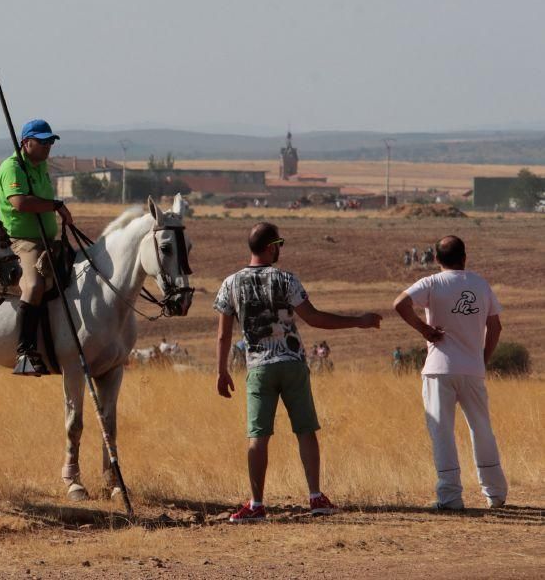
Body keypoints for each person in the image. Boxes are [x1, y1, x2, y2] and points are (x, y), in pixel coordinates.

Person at [214, 222, 381, 522]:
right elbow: (314, 319)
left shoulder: (230, 284)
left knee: (258, 437)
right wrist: (358, 321)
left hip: (258, 367)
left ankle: (256, 504)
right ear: (268, 247)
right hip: (291, 362)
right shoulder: (286, 279)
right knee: (305, 431)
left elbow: (224, 335)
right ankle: (316, 497)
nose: (280, 249)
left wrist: (221, 370)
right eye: (278, 243)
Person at [393, 235, 507, 510]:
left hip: (439, 370)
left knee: (442, 431)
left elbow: (400, 303)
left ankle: (451, 497)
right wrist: (481, 359)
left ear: (436, 259)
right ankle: (495, 493)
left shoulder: (432, 283)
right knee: (482, 430)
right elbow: (496, 327)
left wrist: (426, 331)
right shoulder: (480, 284)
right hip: (472, 369)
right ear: (464, 257)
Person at [0, 119, 73, 376]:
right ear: (26, 143)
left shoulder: (40, 167)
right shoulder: (12, 167)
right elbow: (20, 203)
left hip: (47, 240)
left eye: (50, 141)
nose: (48, 146)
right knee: (35, 285)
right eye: (43, 141)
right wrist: (56, 205)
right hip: (22, 241)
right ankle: (25, 352)